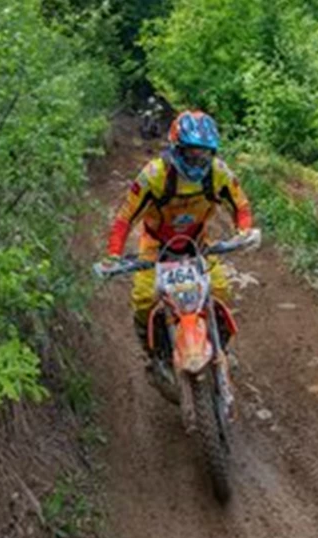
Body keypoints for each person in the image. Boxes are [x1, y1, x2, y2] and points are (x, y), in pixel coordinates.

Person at [98, 110, 255, 370]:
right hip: (156, 246)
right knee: (143, 300)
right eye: (191, 153)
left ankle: (221, 347)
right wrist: (114, 254)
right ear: (176, 148)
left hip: (198, 243)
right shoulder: (154, 176)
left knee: (220, 291)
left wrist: (245, 231)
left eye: (204, 153)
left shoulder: (218, 173)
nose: (197, 160)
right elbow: (125, 217)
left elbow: (241, 204)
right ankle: (154, 354)